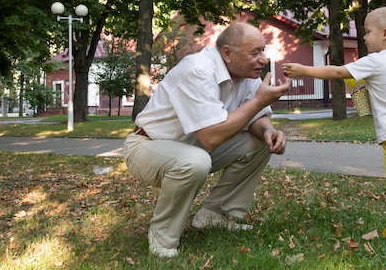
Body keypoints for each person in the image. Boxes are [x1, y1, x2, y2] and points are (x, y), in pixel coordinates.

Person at [124, 21, 291, 258]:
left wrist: (268, 131)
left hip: (193, 148)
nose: (263, 59)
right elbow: (211, 136)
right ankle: (162, 237)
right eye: (255, 52)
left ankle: (216, 215)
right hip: (146, 146)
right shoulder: (198, 70)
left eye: (263, 51)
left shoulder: (245, 73)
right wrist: (259, 101)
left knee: (258, 143)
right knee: (195, 161)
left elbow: (256, 117)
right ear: (227, 53)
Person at [282, 6, 386, 249]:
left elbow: (339, 71)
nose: (363, 37)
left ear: (384, 33)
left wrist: (304, 70)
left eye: (367, 31)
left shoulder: (376, 61)